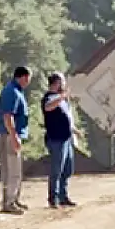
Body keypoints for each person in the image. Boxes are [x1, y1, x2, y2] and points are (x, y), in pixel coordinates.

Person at [41, 71, 80, 208]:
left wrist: (74, 130)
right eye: (62, 81)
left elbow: (67, 117)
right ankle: (53, 198)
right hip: (56, 139)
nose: (64, 84)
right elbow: (48, 107)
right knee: (56, 170)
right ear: (56, 83)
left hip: (67, 138)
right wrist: (62, 97)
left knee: (67, 169)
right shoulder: (49, 97)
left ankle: (63, 196)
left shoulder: (61, 100)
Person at [0, 66, 31, 214]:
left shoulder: (16, 91)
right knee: (12, 170)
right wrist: (14, 135)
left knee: (15, 170)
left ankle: (14, 199)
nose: (28, 82)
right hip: (9, 134)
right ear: (22, 77)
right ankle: (9, 202)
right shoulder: (12, 92)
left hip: (11, 134)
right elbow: (8, 116)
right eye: (28, 78)